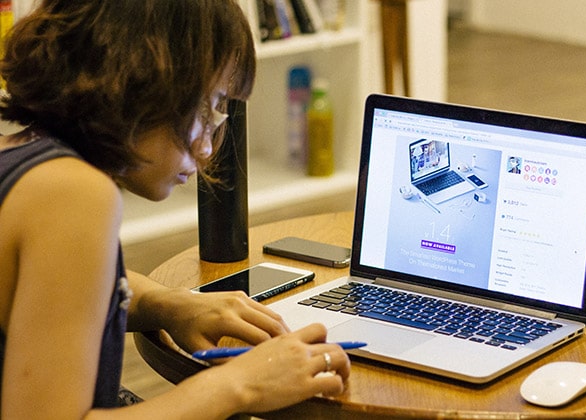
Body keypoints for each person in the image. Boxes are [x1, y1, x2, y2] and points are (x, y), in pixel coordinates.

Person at [0, 0, 350, 418]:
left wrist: (167, 303)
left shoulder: (21, 154)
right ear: (145, 81)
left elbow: (49, 290)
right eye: (207, 107)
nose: (206, 147)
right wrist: (238, 385)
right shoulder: (76, 194)